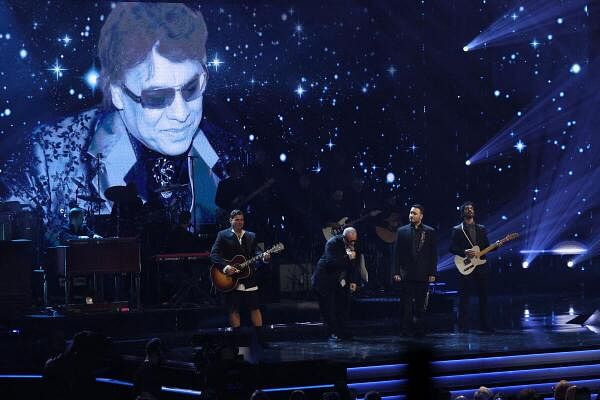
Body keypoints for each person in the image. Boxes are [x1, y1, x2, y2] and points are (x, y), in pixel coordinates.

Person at [0, 3, 241, 245]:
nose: (181, 113)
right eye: (156, 97)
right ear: (117, 93)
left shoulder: (231, 154)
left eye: (192, 88)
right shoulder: (48, 156)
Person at [210, 209, 270, 344]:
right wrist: (225, 267)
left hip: (249, 277)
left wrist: (265, 258)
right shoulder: (222, 235)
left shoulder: (251, 236)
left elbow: (258, 253)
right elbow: (214, 254)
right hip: (230, 279)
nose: (239, 222)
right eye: (236, 220)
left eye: (241, 220)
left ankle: (260, 339)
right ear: (230, 220)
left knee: (255, 307)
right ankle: (237, 340)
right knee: (234, 308)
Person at [449, 201, 496, 333]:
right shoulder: (457, 229)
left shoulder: (481, 228)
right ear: (462, 212)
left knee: (484, 297)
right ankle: (463, 326)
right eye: (467, 209)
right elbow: (451, 248)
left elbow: (486, 246)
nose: (470, 210)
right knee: (464, 298)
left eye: (471, 208)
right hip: (466, 267)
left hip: (481, 267)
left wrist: (495, 246)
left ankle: (485, 326)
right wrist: (464, 252)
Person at [392, 204, 437, 337]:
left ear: (421, 216)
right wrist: (396, 272)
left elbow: (433, 255)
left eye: (414, 213)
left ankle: (419, 329)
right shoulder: (401, 231)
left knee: (420, 304)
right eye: (411, 213)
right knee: (405, 304)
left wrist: (433, 273)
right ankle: (405, 329)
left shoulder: (430, 231)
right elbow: (396, 254)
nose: (411, 215)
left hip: (423, 274)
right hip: (406, 274)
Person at [312, 227, 360, 341]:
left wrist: (353, 280)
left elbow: (353, 264)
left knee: (343, 305)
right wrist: (347, 257)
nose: (352, 243)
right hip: (324, 280)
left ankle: (343, 332)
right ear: (344, 238)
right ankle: (333, 333)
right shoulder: (332, 243)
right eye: (350, 241)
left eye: (354, 241)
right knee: (329, 309)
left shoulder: (353, 244)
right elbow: (331, 262)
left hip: (340, 281)